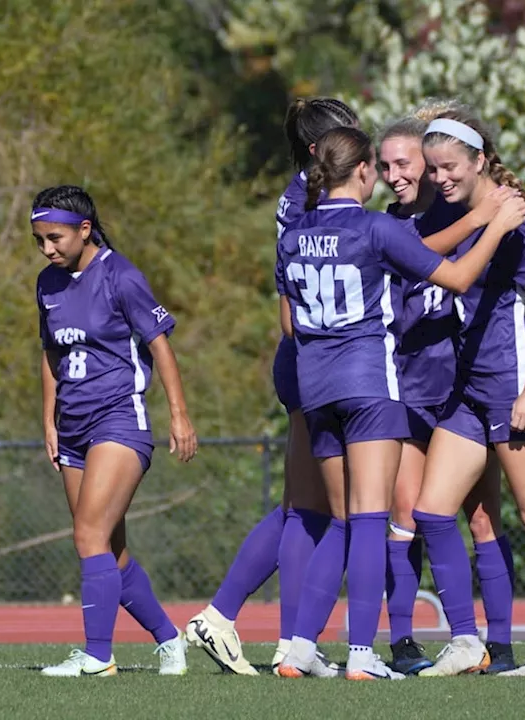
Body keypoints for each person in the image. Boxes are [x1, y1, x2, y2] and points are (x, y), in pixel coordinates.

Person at [273, 126, 525, 681]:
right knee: (369, 522)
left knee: (340, 523)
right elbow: (459, 277)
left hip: (315, 392)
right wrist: (496, 222)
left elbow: (288, 319)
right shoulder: (375, 227)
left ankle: (298, 647)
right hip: (369, 385)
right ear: (363, 171)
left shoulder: (291, 235)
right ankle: (363, 654)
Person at [186, 97, 353, 675]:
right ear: (316, 149)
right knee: (316, 511)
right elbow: (294, 310)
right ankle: (286, 640)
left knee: (297, 509)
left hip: (303, 358)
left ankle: (228, 616)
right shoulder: (311, 198)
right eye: (346, 139)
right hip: (314, 359)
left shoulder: (300, 193)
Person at [412, 110, 525, 677]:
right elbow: (416, 252)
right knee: (433, 512)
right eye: (433, 168)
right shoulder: (457, 212)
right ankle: (468, 643)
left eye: (449, 167)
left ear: (480, 160)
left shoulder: (517, 221)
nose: (440, 178)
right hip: (468, 389)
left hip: (513, 387)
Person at [377, 110, 519, 675]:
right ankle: (405, 640)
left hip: (463, 387)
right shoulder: (383, 227)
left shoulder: (459, 203)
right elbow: (420, 254)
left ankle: (501, 644)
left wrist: (519, 198)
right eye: (385, 165)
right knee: (408, 513)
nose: (400, 174)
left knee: (485, 519)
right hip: (412, 388)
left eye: (407, 162)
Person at [33, 185, 196, 677]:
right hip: (73, 427)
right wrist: (48, 417)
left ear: (85, 230)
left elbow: (160, 344)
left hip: (119, 419)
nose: (48, 248)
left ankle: (98, 656)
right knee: (109, 550)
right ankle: (170, 639)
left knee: (87, 535)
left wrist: (179, 413)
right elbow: (50, 353)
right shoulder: (47, 283)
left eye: (56, 237)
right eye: (39, 240)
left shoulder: (121, 276)